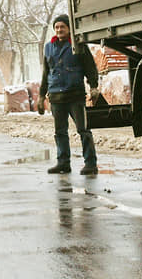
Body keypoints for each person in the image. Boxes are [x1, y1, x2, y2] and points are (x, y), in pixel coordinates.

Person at [39, 14, 100, 175]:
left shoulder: (78, 45)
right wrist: (41, 95)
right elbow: (46, 73)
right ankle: (63, 163)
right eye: (57, 27)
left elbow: (90, 67)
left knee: (83, 130)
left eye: (62, 27)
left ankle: (91, 163)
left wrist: (93, 86)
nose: (59, 30)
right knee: (60, 132)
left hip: (75, 95)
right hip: (56, 96)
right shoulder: (48, 47)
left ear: (69, 29)